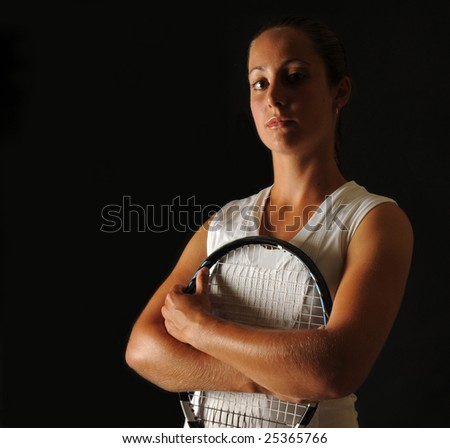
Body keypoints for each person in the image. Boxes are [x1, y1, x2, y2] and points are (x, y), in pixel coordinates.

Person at [125, 15, 414, 427]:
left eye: (295, 77)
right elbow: (142, 348)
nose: (275, 97)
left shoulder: (375, 221)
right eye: (259, 83)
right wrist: (270, 379)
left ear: (340, 91)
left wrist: (200, 330)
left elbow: (333, 369)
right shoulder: (223, 223)